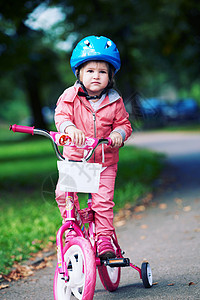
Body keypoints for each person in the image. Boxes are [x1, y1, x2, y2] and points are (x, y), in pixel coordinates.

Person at [54, 35, 132, 259]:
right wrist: (69, 129)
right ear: (79, 73)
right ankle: (73, 229)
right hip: (77, 159)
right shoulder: (70, 96)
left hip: (105, 161)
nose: (96, 75)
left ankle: (104, 238)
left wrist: (118, 133)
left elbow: (124, 124)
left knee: (103, 202)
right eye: (90, 71)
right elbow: (61, 116)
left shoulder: (114, 100)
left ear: (111, 76)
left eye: (102, 71)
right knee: (64, 195)